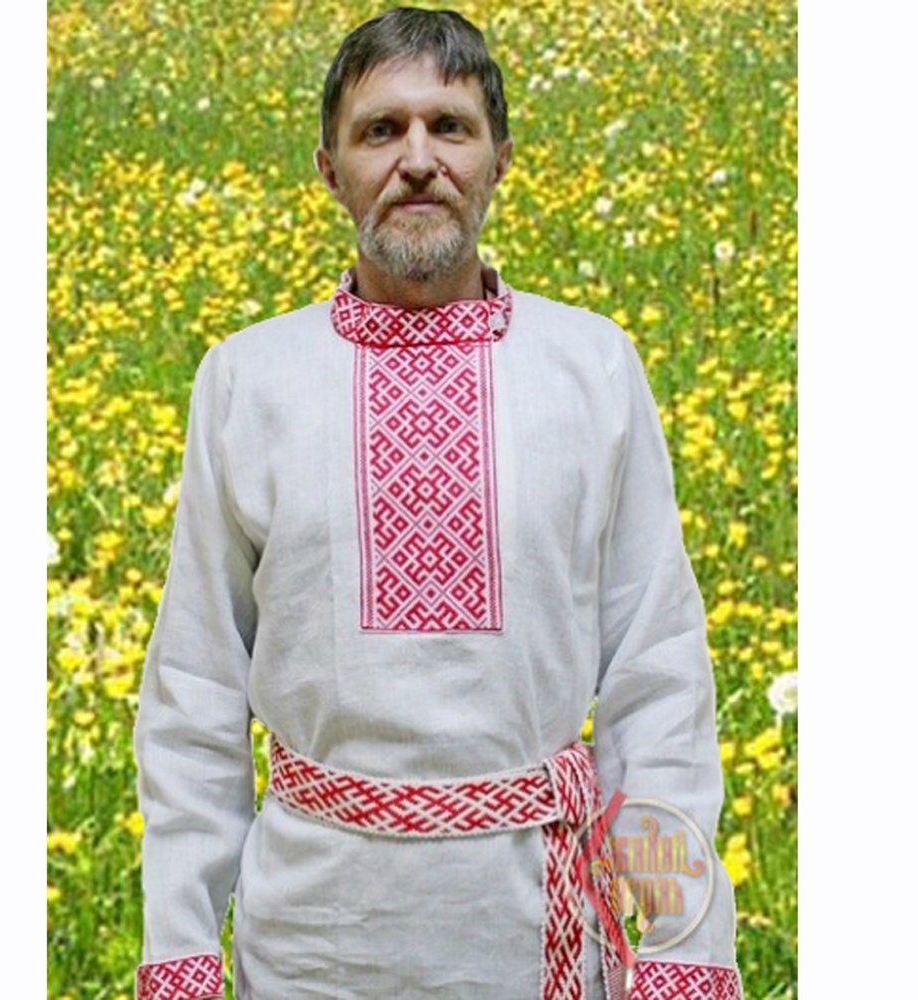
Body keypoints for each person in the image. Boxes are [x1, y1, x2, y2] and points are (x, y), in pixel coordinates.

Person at [132, 7, 746, 1000]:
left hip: (533, 933)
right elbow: (195, 690)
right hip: (312, 946)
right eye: (380, 130)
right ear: (330, 169)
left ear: (499, 160)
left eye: (449, 127)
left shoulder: (591, 367)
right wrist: (182, 948)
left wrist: (677, 950)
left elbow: (656, 677)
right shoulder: (249, 380)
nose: (417, 160)